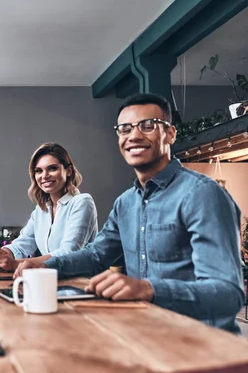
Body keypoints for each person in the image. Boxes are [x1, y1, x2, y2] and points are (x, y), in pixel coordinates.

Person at [15, 93, 243, 334]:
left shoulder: (203, 195)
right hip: (146, 332)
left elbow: (228, 295)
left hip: (203, 343)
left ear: (171, 134)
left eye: (148, 126)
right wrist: (46, 267)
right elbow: (95, 257)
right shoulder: (126, 203)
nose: (134, 135)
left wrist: (148, 289)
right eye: (125, 129)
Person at [0, 143, 97, 271]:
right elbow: (21, 245)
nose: (44, 176)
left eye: (52, 168)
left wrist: (17, 264)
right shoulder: (41, 210)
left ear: (68, 171)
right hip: (50, 279)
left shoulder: (82, 202)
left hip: (81, 281)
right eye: (38, 171)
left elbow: (68, 253)